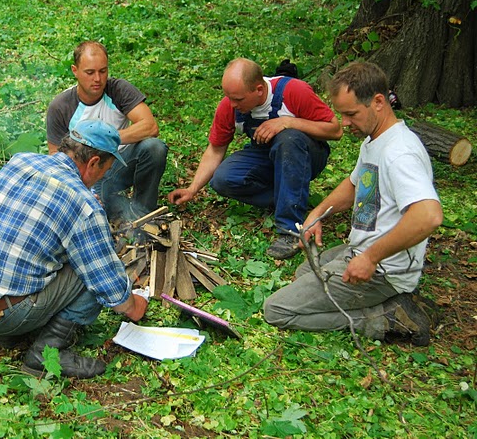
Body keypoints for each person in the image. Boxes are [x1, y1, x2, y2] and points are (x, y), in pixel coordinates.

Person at [263, 62, 443, 346]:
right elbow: (355, 184)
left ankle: (385, 317)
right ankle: (395, 302)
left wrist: (370, 258)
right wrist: (317, 213)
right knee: (304, 272)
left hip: (385, 271)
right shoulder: (377, 139)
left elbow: (428, 215)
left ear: (378, 102)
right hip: (360, 250)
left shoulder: (400, 153)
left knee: (277, 310)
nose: (345, 123)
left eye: (351, 114)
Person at [0, 119, 148, 379]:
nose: (103, 177)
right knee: (91, 267)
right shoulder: (83, 206)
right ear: (92, 163)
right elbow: (109, 287)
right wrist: (136, 306)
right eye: (105, 169)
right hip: (5, 313)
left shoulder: (21, 162)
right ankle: (45, 353)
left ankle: (11, 334)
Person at [168, 58, 343, 259]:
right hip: (265, 154)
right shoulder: (230, 106)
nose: (233, 104)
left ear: (259, 89)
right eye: (229, 98)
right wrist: (192, 189)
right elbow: (215, 150)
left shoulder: (294, 91)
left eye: (239, 99)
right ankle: (287, 196)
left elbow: (335, 130)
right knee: (222, 179)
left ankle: (291, 230)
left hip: (306, 156)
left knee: (288, 139)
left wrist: (287, 122)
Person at [46, 41, 168, 221]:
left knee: (154, 147)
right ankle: (113, 207)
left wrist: (106, 140)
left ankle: (145, 214)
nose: (97, 79)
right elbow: (54, 157)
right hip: (85, 175)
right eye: (90, 72)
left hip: (118, 163)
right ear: (75, 70)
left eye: (103, 71)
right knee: (101, 205)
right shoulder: (61, 106)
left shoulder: (118, 90)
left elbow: (150, 126)